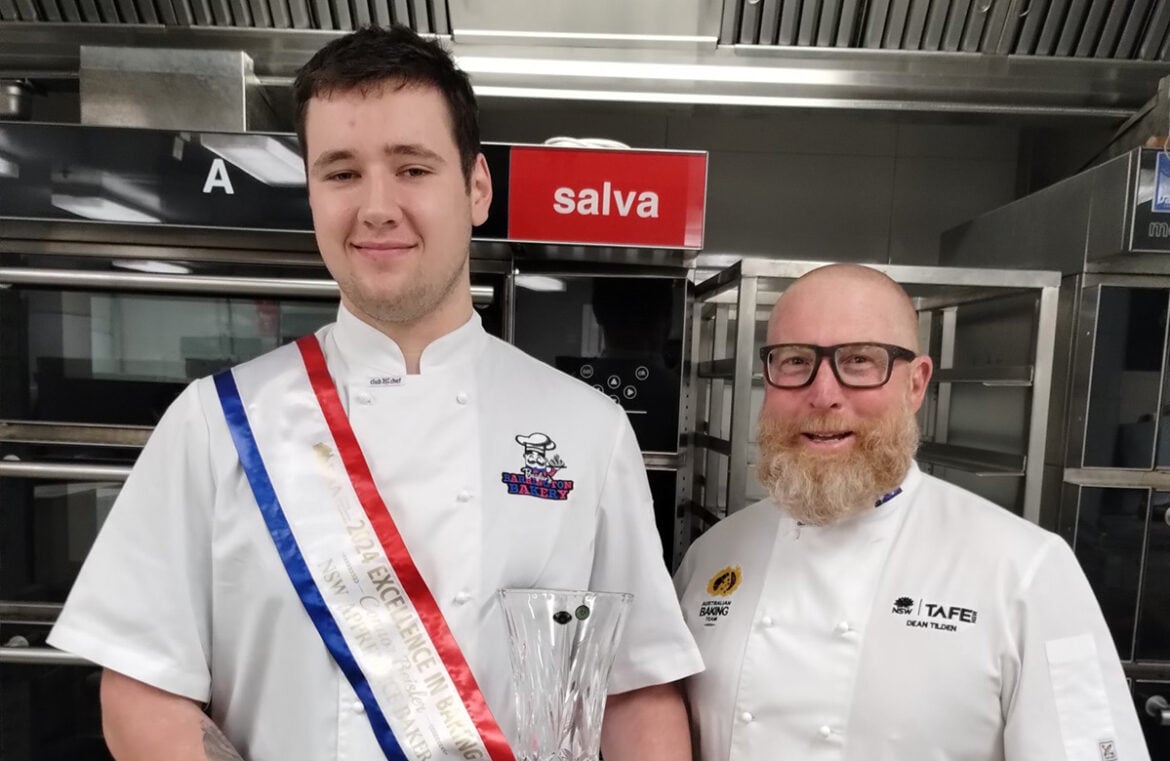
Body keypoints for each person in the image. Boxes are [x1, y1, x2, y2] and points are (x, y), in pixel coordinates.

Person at [49, 25, 702, 761]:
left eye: (413, 168)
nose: (377, 206)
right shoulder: (216, 423)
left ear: (476, 187)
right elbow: (141, 687)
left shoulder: (587, 429)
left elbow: (638, 691)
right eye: (341, 172)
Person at [674, 263, 1150, 761]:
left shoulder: (1026, 572)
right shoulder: (713, 556)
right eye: (794, 361)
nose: (823, 394)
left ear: (917, 384)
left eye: (859, 360)